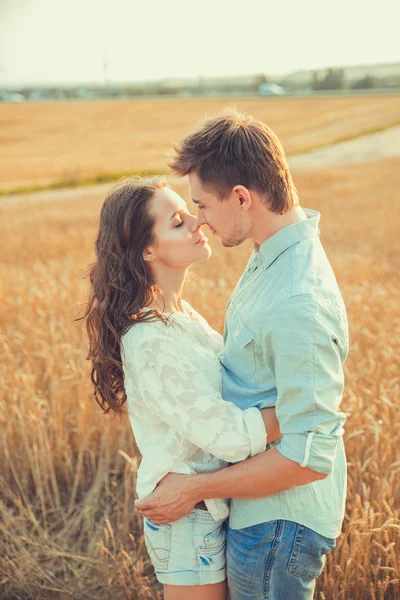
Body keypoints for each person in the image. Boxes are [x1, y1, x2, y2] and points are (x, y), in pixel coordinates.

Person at [135, 109, 349, 600]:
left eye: (202, 205)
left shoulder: (297, 298)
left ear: (241, 198)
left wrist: (193, 489)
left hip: (279, 522)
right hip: (258, 510)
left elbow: (308, 456)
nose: (200, 221)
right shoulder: (269, 255)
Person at [79, 175, 282, 600]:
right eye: (177, 221)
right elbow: (225, 436)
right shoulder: (150, 340)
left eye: (190, 212)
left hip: (209, 504)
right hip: (187, 517)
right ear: (147, 250)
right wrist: (301, 409)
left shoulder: (181, 316)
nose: (198, 222)